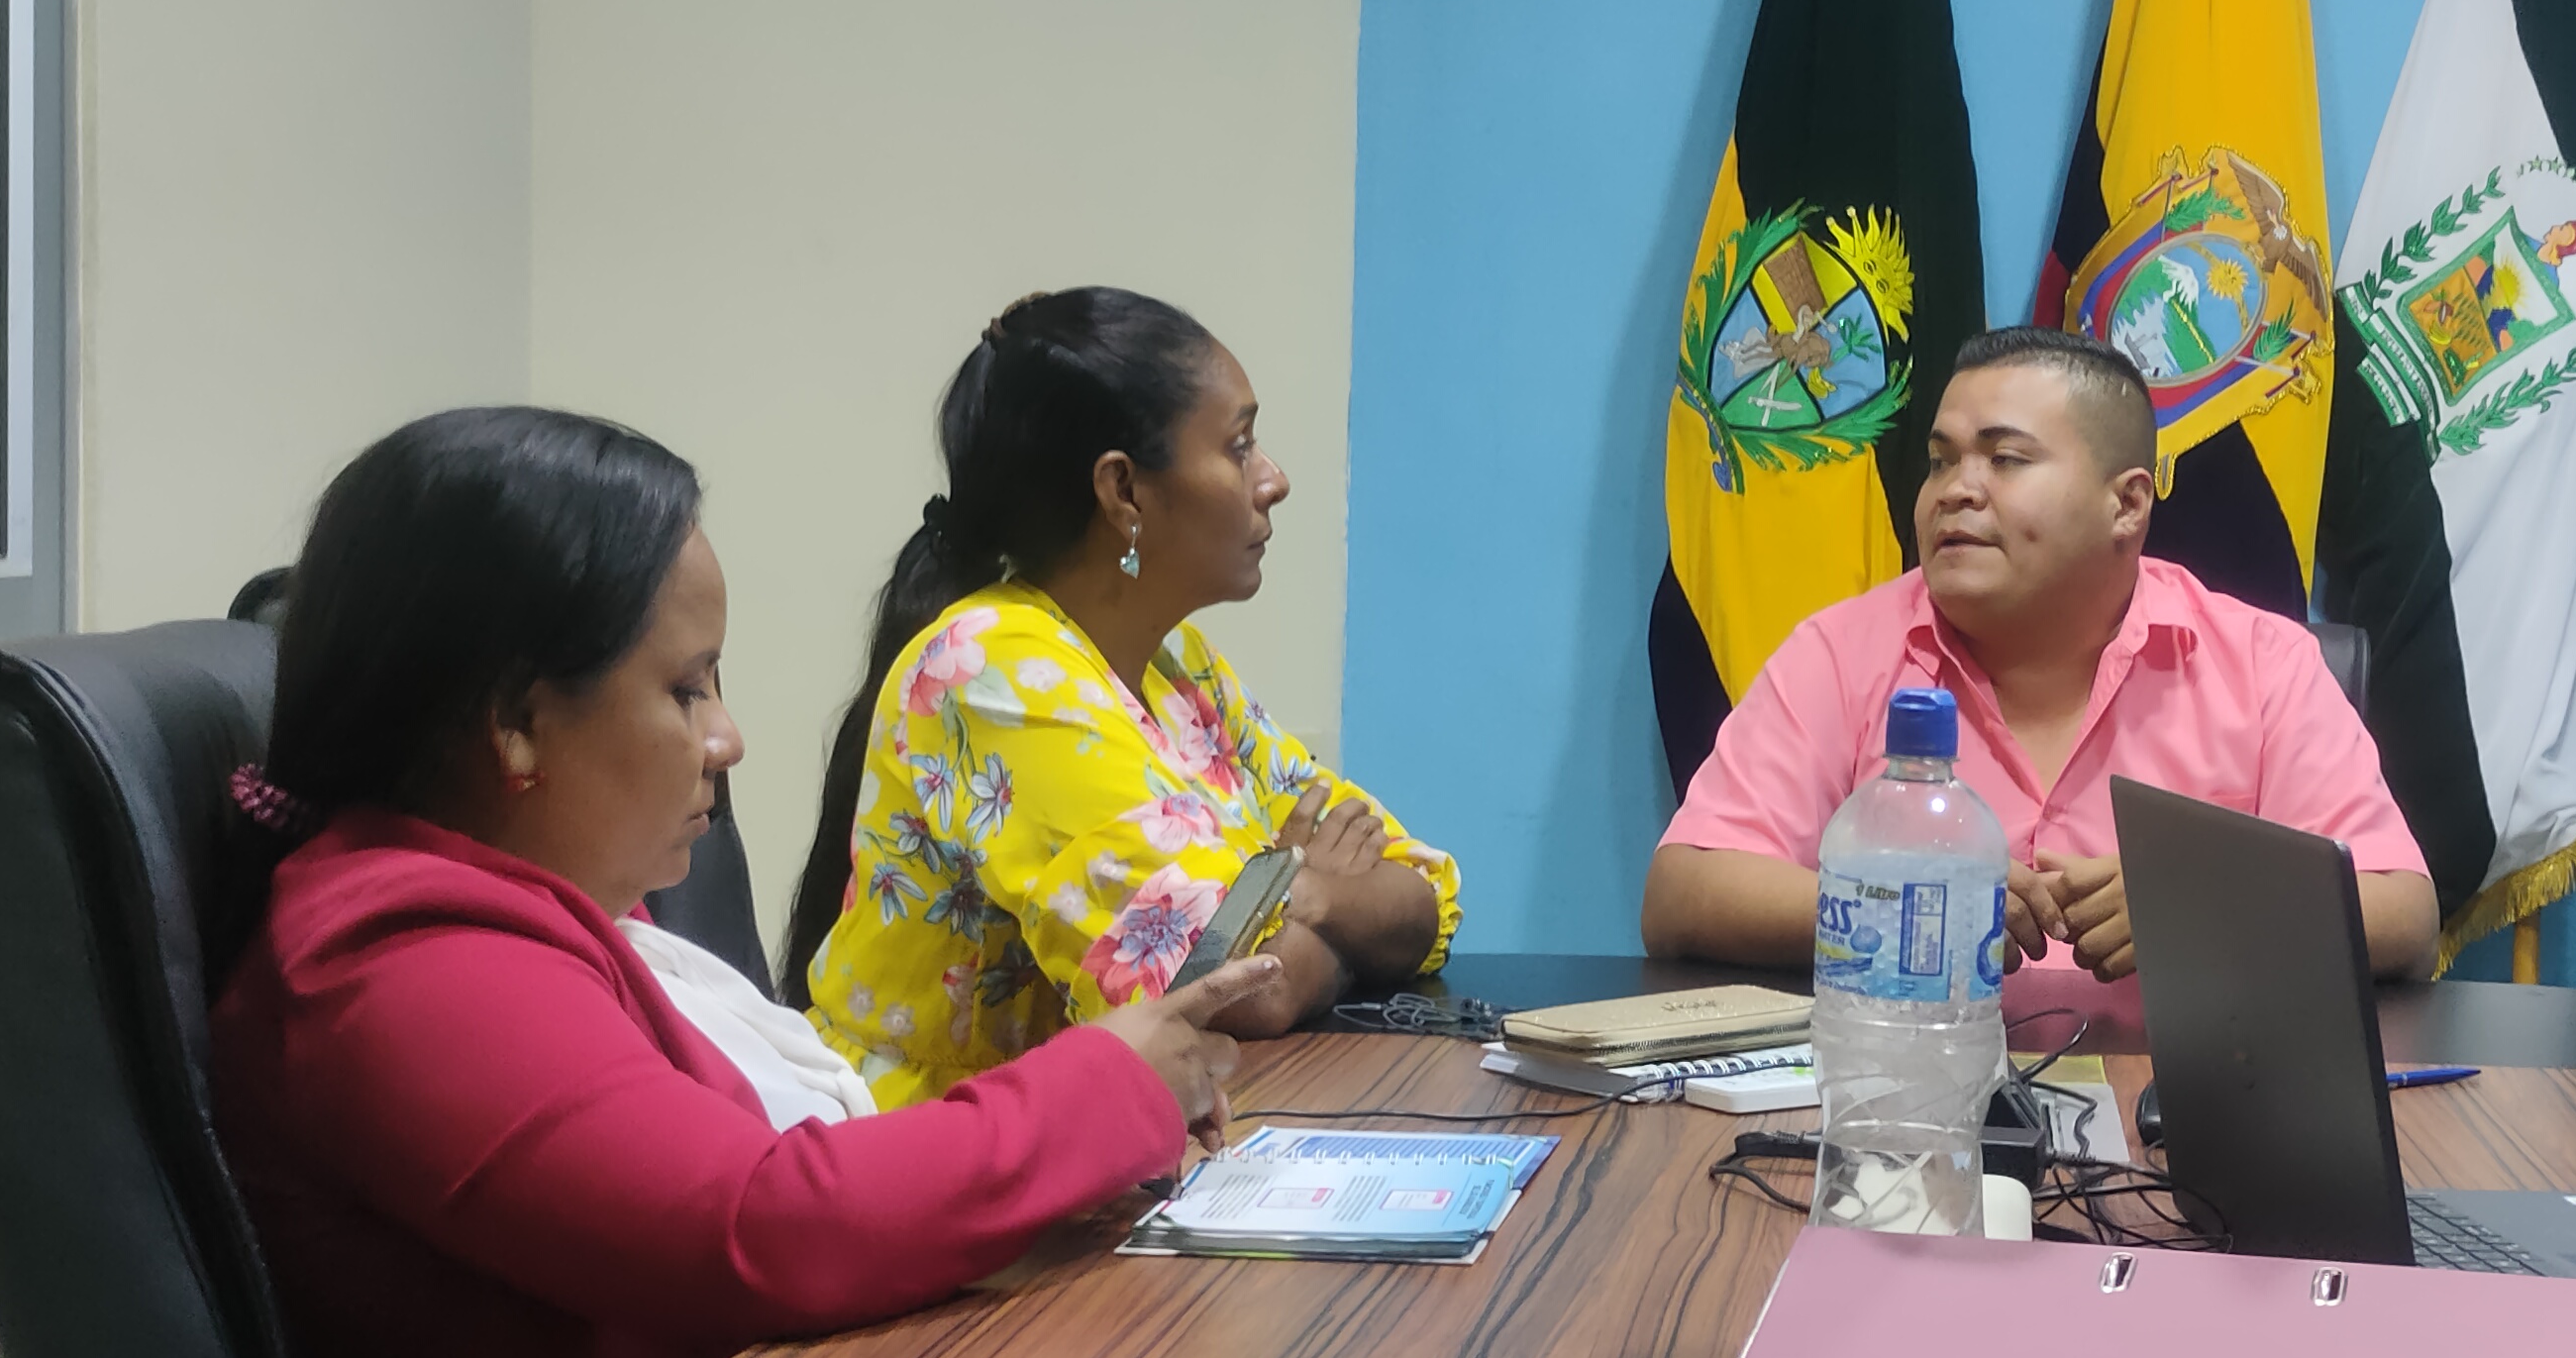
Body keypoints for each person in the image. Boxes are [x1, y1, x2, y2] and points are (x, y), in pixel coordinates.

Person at [210, 407, 1269, 1358]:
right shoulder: (399, 961)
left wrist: (1063, 1168)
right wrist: (1107, 1088)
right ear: (514, 722)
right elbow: (763, 1225)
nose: (727, 739)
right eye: (684, 690)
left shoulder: (544, 910)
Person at [790, 289, 1456, 1103]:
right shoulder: (991, 671)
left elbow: (1425, 888)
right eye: (1239, 446)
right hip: (935, 1146)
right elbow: (1229, 993)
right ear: (1125, 490)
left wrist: (1302, 892)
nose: (1273, 479)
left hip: (1093, 1130)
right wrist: (1314, 914)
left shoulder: (1179, 667)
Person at [1644, 329, 2435, 993]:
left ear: (2126, 503)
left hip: (2183, 1104)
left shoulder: (2261, 665)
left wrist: (2205, 910)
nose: (1956, 491)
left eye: (2006, 459)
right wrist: (1909, 906)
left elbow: (2402, 912)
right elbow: (1685, 893)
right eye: (1940, 461)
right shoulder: (1843, 651)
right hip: (1910, 1088)